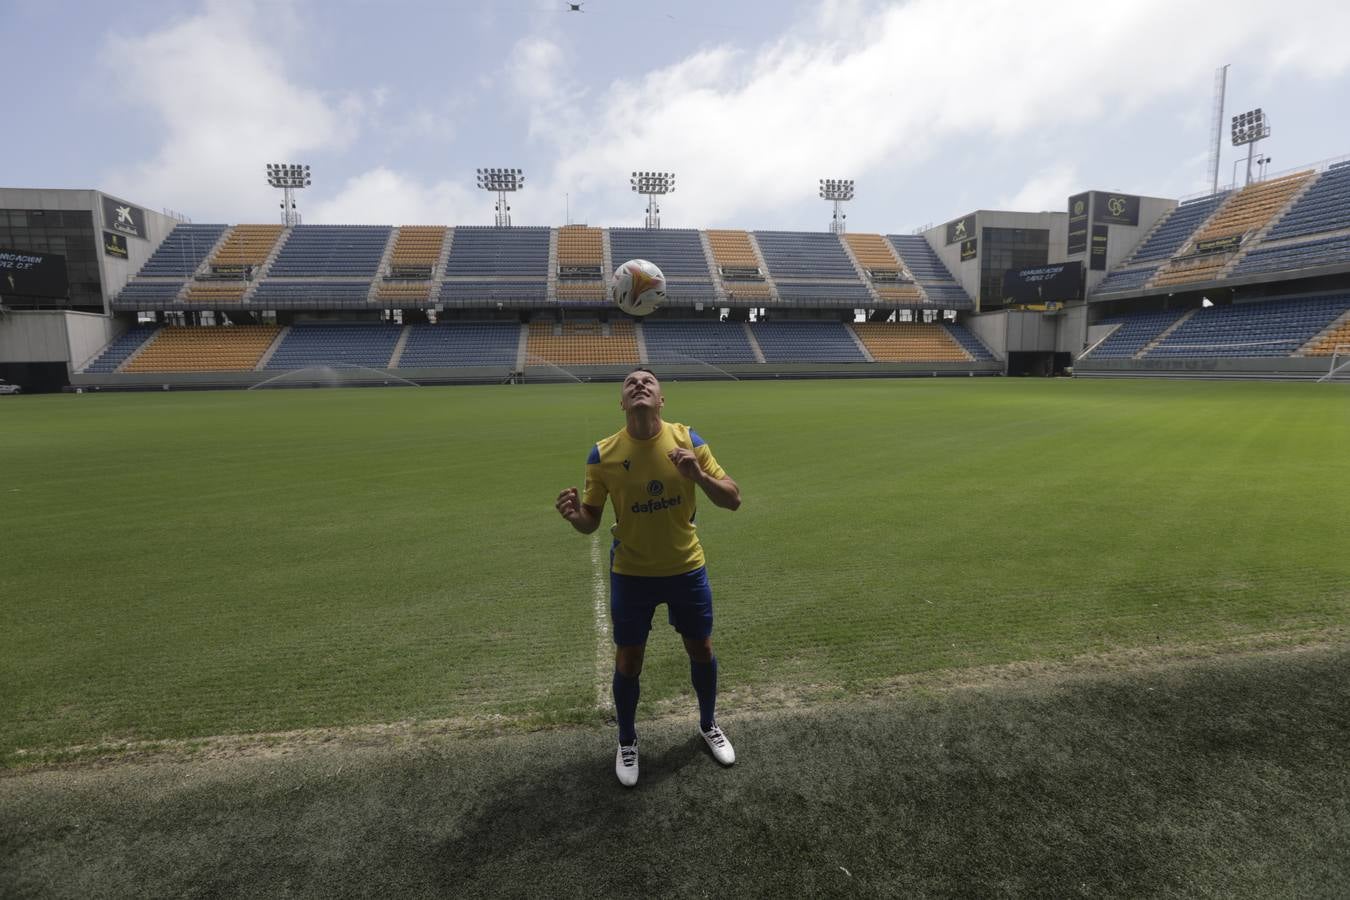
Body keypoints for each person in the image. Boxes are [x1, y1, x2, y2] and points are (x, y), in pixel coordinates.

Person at [555, 367, 742, 787]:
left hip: (686, 568)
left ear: (661, 400)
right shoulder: (602, 455)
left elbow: (733, 499)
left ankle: (708, 723)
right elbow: (591, 521)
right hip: (632, 573)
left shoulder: (688, 440)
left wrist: (698, 475)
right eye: (630, 383)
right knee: (629, 660)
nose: (639, 384)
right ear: (622, 402)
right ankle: (626, 741)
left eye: (648, 382)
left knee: (701, 649)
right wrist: (574, 517)